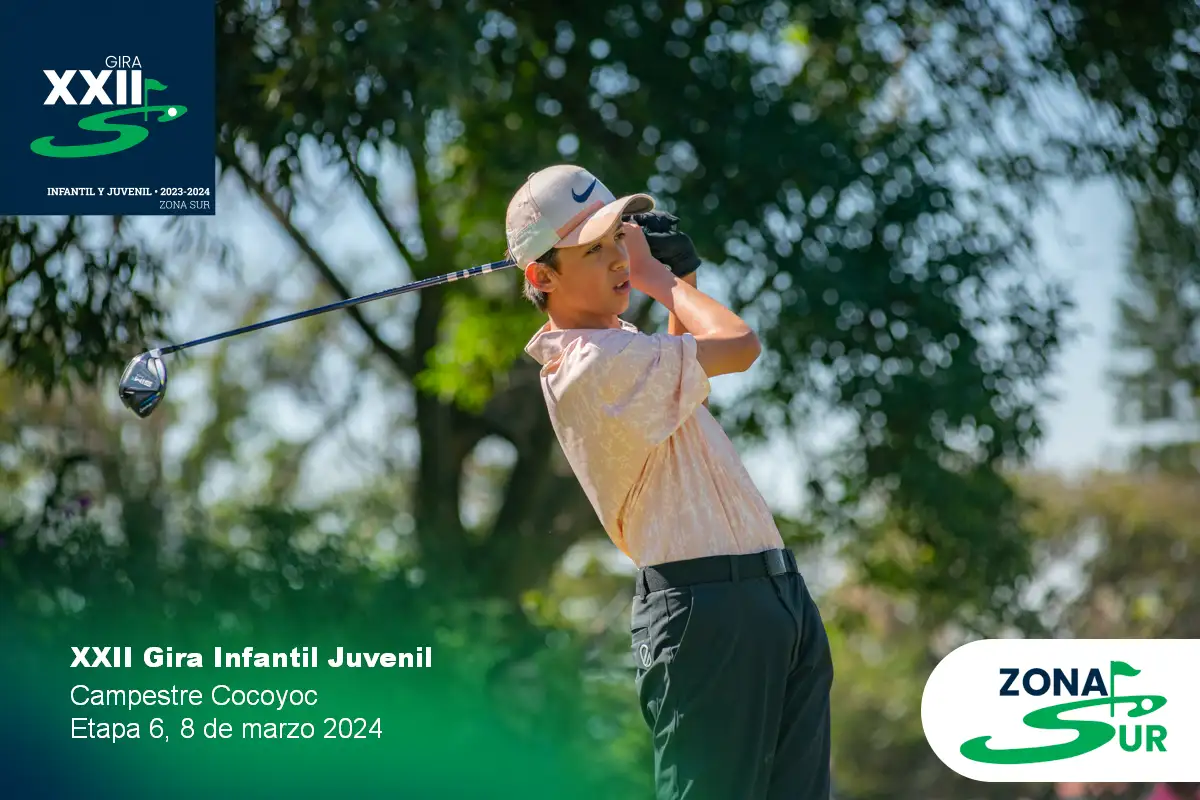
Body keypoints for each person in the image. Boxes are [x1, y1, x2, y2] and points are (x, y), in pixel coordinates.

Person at [505, 163, 834, 800]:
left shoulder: (622, 348)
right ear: (542, 277)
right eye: (593, 249)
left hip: (775, 595)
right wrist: (663, 283)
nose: (618, 259)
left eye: (619, 239)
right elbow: (739, 345)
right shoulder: (587, 364)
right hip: (704, 611)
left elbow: (685, 393)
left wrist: (680, 281)